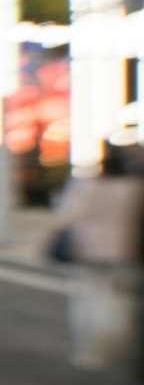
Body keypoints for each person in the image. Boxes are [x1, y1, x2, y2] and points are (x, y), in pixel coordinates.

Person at [53, 144, 144, 369]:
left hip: (88, 250)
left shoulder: (85, 186)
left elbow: (67, 215)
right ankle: (117, 345)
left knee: (88, 301)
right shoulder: (135, 188)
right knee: (119, 301)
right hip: (124, 251)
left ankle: (91, 351)